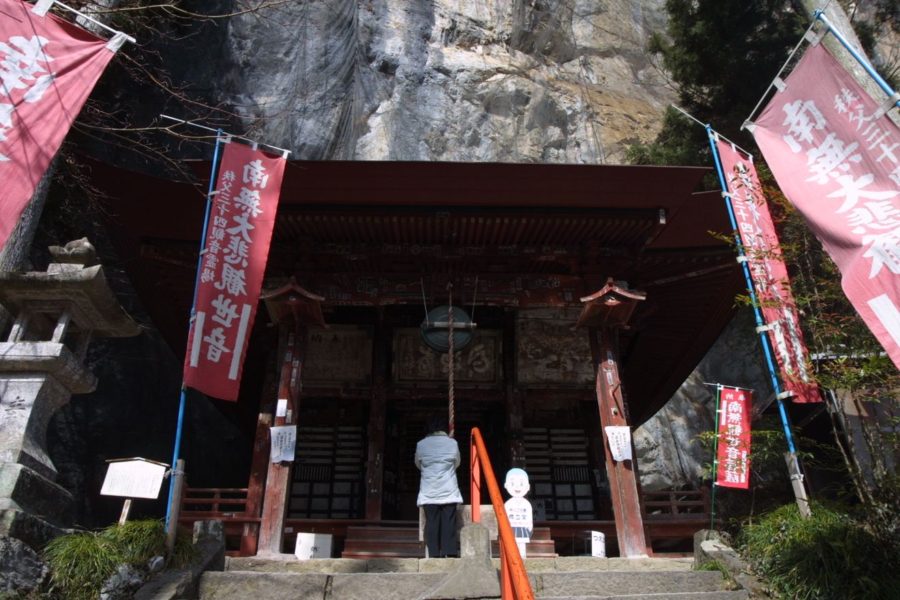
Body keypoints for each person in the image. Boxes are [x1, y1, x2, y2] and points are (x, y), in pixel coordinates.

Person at [415, 415, 463, 558]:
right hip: (449, 488)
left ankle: (434, 554)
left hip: (429, 490)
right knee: (449, 522)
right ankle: (450, 552)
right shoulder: (452, 443)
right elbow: (457, 463)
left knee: (432, 522)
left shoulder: (421, 444)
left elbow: (418, 463)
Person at [503, 468, 533, 558]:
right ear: (506, 485)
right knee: (511, 549)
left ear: (527, 486)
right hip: (511, 528)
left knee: (521, 549)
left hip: (523, 529)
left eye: (521, 483)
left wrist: (529, 530)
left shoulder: (527, 504)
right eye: (512, 483)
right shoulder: (508, 504)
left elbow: (529, 519)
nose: (517, 487)